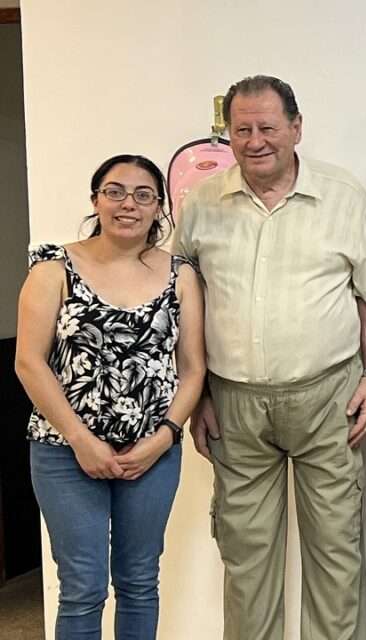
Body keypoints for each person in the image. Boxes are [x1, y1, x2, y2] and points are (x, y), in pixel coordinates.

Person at [175, 75, 366, 640]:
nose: (254, 140)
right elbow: (182, 301)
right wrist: (194, 395)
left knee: (336, 556)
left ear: (296, 128)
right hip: (234, 405)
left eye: (267, 127)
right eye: (241, 129)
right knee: (246, 561)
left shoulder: (342, 196)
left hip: (328, 400)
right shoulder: (202, 203)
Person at [15, 154, 206, 639]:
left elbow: (193, 369)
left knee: (140, 581)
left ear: (159, 206)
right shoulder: (54, 269)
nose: (128, 204)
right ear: (95, 199)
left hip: (151, 456)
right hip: (64, 452)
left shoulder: (180, 275)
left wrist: (163, 438)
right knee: (82, 585)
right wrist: (81, 440)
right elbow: (29, 363)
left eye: (144, 194)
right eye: (115, 191)